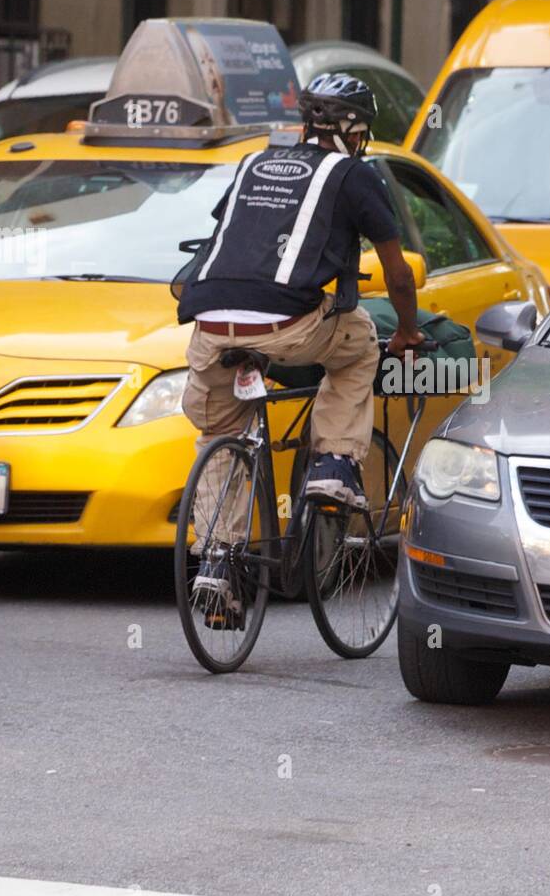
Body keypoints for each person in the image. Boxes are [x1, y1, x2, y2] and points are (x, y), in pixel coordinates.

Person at [177, 73, 423, 604]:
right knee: (360, 344)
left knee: (219, 433)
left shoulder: (253, 163)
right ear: (352, 128)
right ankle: (333, 465)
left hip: (210, 324)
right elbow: (399, 276)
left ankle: (218, 564)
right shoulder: (353, 175)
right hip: (287, 326)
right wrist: (406, 330)